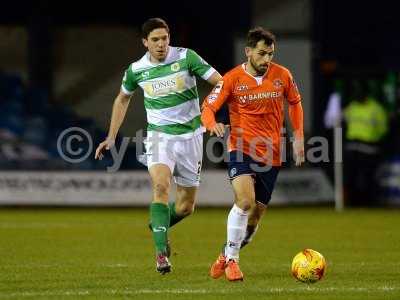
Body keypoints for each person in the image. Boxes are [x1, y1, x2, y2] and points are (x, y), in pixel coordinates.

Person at [95, 18, 222, 274]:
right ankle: (161, 253)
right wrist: (111, 136)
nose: (162, 44)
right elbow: (122, 100)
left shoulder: (187, 57)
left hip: (191, 137)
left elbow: (221, 83)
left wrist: (209, 110)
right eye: (155, 40)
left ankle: (159, 224)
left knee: (186, 207)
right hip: (159, 137)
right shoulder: (136, 70)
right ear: (145, 42)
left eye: (165, 38)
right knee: (161, 186)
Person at [201, 27, 304, 281]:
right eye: (261, 54)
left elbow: (295, 102)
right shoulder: (232, 79)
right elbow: (208, 107)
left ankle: (226, 253)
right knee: (245, 201)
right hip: (241, 148)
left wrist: (299, 135)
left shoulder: (283, 75)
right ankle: (234, 262)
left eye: (270, 54)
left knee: (255, 216)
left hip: (272, 152)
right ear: (248, 52)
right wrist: (211, 123)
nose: (266, 60)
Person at [343, 79, 388, 206]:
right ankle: (352, 203)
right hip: (352, 147)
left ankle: (368, 202)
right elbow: (340, 120)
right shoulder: (352, 106)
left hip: (369, 148)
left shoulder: (376, 109)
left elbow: (383, 129)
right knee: (350, 177)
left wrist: (374, 140)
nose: (357, 95)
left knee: (367, 177)